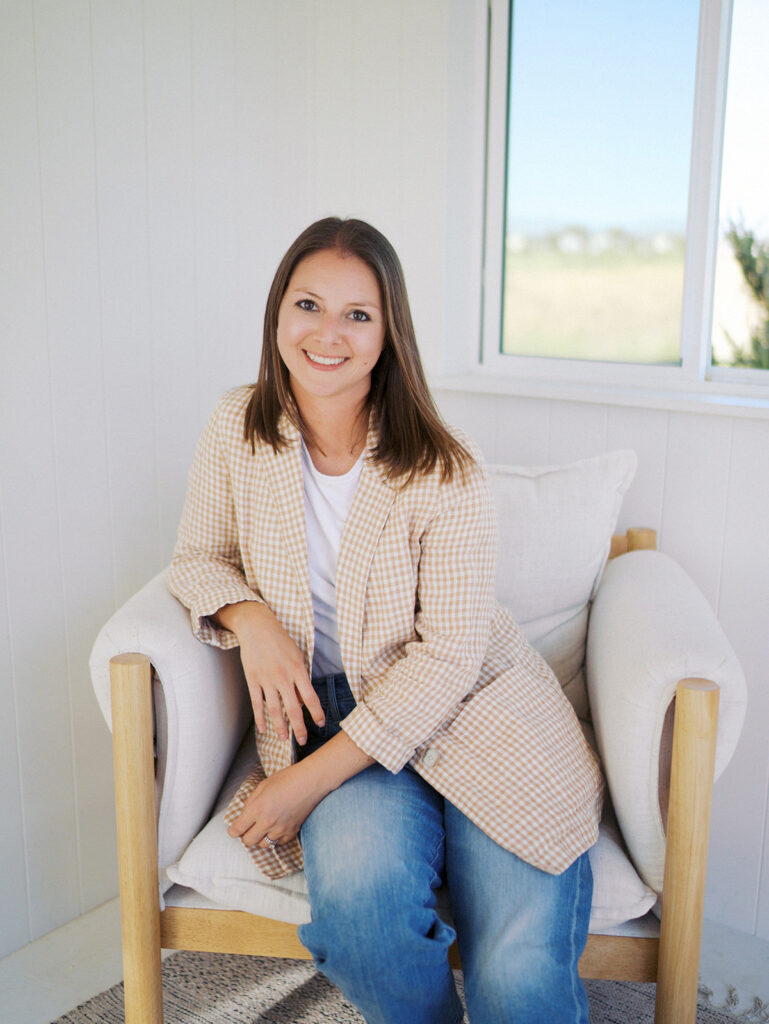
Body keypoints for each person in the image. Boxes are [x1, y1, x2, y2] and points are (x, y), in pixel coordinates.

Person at [168, 217, 602, 1024]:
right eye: (308, 305)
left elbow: (448, 658)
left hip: (474, 709)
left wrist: (303, 782)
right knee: (361, 927)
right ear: (276, 312)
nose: (326, 334)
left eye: (357, 314)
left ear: (387, 332)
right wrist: (251, 618)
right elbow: (196, 557)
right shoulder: (237, 424)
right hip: (334, 715)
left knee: (517, 981)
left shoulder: (445, 465)